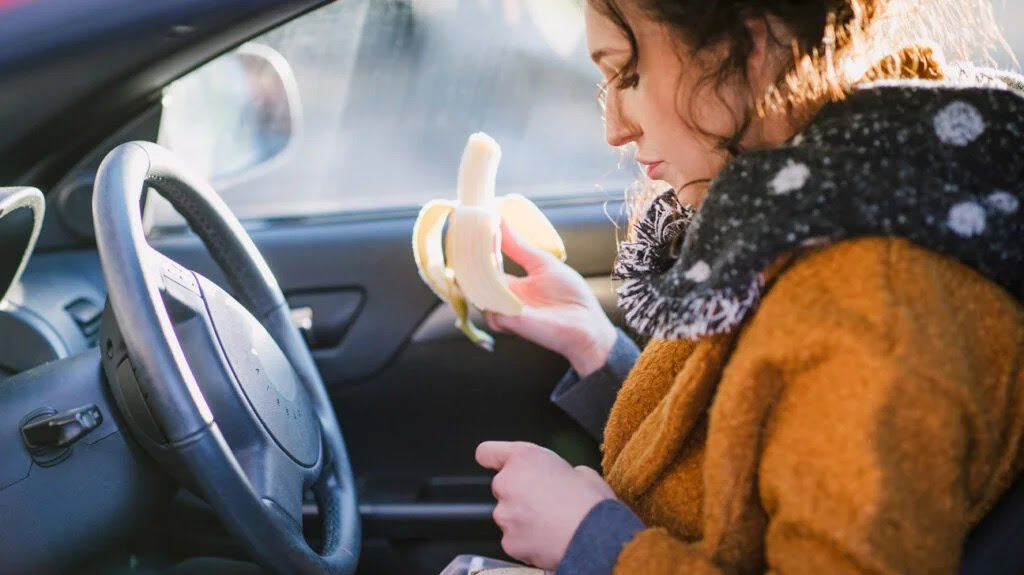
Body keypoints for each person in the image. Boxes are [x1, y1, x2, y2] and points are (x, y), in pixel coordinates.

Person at [447, 0, 1024, 573]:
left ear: (750, 48)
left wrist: (594, 544)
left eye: (629, 74)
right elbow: (749, 450)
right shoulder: (814, 201)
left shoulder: (874, 306)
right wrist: (597, 349)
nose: (615, 129)